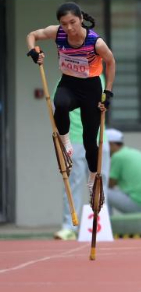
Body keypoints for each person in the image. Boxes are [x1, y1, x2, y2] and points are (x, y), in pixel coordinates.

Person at [26, 2, 115, 208]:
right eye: (64, 24)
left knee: (89, 142)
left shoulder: (95, 42)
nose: (69, 28)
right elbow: (32, 35)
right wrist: (33, 51)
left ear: (80, 19)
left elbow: (111, 62)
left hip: (91, 87)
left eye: (73, 23)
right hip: (69, 83)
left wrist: (107, 92)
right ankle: (65, 143)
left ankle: (93, 179)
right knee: (60, 104)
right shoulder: (57, 33)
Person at [53, 96, 110, 240]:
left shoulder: (98, 77)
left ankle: (101, 224)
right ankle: (69, 226)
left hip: (98, 139)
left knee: (99, 184)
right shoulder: (64, 83)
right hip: (73, 140)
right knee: (72, 184)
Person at [106, 129, 141, 213]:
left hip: (139, 204)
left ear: (111, 144)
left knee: (100, 193)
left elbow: (109, 184)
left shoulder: (118, 156)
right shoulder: (135, 152)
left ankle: (107, 224)